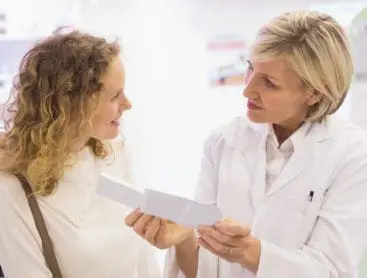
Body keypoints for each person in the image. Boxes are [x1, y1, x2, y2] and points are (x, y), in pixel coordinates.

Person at [125, 10, 367, 278]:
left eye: (269, 83)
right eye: (250, 68)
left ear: (314, 92)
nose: (247, 90)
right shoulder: (223, 141)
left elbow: (330, 270)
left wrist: (250, 253)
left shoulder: (353, 155)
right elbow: (202, 271)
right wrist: (182, 239)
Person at [0, 30, 160, 278]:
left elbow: (143, 261)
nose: (127, 104)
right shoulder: (12, 188)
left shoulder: (114, 154)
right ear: (72, 103)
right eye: (114, 96)